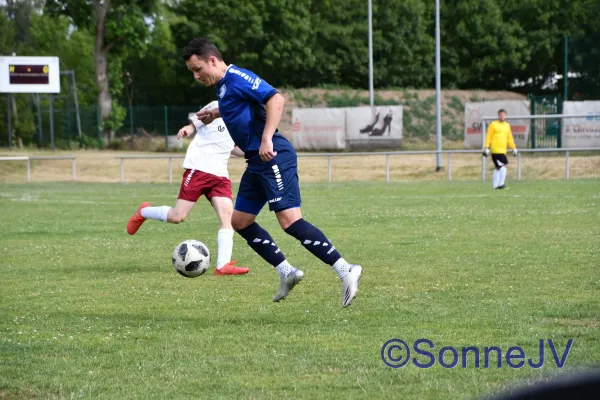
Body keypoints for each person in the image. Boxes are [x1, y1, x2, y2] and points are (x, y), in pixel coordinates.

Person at [183, 37, 362, 307]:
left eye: (198, 69)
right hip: (256, 162)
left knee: (290, 221)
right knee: (239, 221)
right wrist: (216, 113)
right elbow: (242, 106)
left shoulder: (238, 76)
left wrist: (266, 138)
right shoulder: (224, 86)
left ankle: (346, 269)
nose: (196, 76)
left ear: (212, 60)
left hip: (273, 154)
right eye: (192, 72)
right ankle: (286, 271)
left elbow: (275, 98)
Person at [126, 101, 250, 276]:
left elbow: (232, 147)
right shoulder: (219, 104)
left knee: (228, 218)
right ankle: (144, 211)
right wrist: (188, 129)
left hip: (220, 175)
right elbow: (198, 120)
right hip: (199, 169)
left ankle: (222, 266)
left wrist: (252, 154)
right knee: (178, 216)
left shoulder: (242, 118)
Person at [483, 109, 518, 189]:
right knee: (505, 165)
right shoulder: (493, 124)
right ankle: (501, 184)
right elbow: (488, 136)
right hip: (495, 150)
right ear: (498, 115)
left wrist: (513, 148)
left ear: (506, 116)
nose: (502, 116)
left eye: (503, 115)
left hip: (503, 150)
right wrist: (486, 147)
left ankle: (495, 186)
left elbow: (509, 138)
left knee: (498, 167)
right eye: (500, 115)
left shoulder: (507, 125)